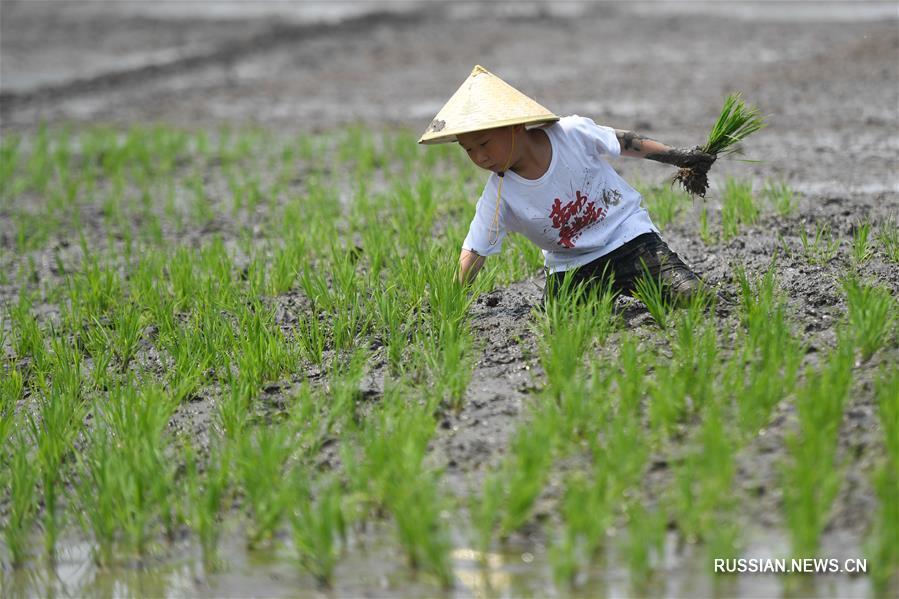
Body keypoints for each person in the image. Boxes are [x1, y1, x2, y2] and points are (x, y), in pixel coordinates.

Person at [418, 65, 716, 305]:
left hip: (629, 241)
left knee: (691, 295)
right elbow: (475, 250)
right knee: (561, 325)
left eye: (484, 143)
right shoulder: (499, 194)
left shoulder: (571, 133)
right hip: (570, 268)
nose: (479, 157)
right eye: (468, 150)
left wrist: (679, 157)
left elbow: (625, 142)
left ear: (515, 126)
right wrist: (449, 301)